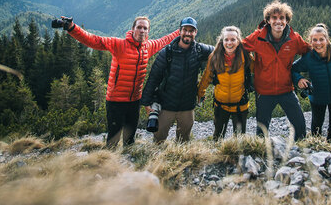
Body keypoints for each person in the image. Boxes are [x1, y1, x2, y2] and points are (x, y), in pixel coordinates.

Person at [59, 16, 179, 147]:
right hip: (115, 100)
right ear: (132, 29)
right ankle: (108, 162)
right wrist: (72, 28)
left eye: (145, 28)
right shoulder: (119, 45)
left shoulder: (148, 47)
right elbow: (94, 40)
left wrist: (183, 30)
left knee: (130, 138)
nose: (142, 30)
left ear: (148, 31)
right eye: (139, 27)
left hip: (135, 100)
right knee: (113, 139)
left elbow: (165, 40)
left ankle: (128, 161)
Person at [242, 0, 310, 141]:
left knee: (300, 127)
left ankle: (299, 154)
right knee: (262, 130)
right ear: (267, 20)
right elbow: (241, 48)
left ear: (287, 21)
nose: (278, 21)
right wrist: (252, 64)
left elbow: (308, 52)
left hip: (286, 89)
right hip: (264, 91)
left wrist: (298, 74)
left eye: (282, 18)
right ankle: (261, 156)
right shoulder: (258, 37)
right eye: (274, 18)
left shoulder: (294, 38)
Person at [141, 17, 213, 143]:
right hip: (166, 105)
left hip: (187, 106)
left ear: (195, 33)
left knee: (184, 139)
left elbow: (220, 49)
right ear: (180, 31)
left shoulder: (199, 50)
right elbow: (154, 78)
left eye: (191, 30)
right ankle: (157, 161)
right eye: (185, 29)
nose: (188, 33)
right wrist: (146, 102)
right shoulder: (167, 52)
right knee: (159, 138)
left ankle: (181, 161)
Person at [197, 26, 254, 140]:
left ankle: (238, 158)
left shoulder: (246, 56)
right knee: (218, 136)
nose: (229, 43)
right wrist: (200, 93)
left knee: (239, 139)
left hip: (240, 105)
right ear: (222, 41)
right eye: (226, 39)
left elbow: (259, 70)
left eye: (233, 40)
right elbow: (206, 77)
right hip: (220, 104)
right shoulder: (214, 57)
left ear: (238, 41)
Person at [291, 23, 331, 141]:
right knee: (316, 125)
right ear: (310, 41)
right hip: (317, 97)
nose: (318, 43)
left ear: (327, 39)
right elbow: (292, 69)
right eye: (314, 40)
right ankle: (316, 145)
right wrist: (299, 79)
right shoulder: (308, 58)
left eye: (321, 39)